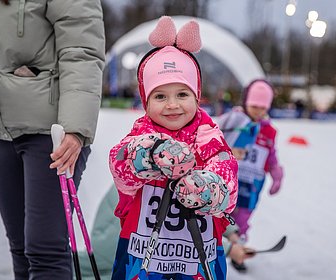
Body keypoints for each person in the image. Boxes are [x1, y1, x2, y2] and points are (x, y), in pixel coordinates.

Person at [0, 1, 105, 279]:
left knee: (45, 250)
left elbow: (82, 52)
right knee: (21, 248)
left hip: (52, 135)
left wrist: (74, 129)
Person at [108, 16, 239, 279]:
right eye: (160, 96)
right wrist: (150, 154)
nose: (172, 105)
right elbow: (120, 164)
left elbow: (228, 177)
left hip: (197, 259)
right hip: (141, 255)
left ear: (197, 95)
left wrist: (208, 188)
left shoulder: (209, 137)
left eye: (182, 94)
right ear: (145, 101)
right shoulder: (140, 134)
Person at [217, 79, 284, 272]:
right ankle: (219, 246)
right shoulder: (234, 121)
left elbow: (271, 153)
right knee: (222, 215)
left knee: (243, 220)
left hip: (252, 183)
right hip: (228, 179)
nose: (258, 111)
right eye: (254, 106)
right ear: (246, 101)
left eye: (263, 107)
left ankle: (239, 253)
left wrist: (276, 172)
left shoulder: (269, 130)